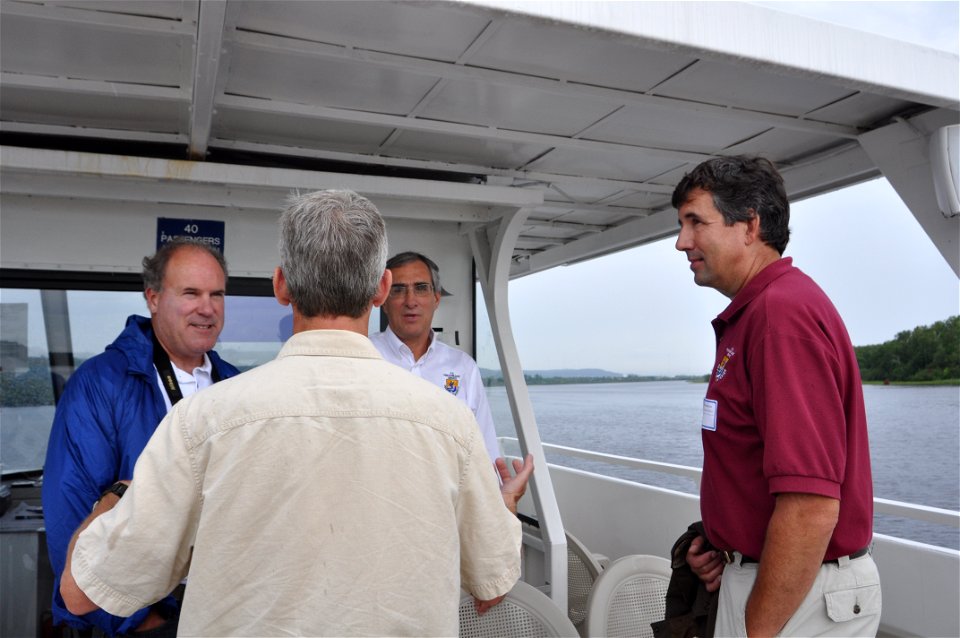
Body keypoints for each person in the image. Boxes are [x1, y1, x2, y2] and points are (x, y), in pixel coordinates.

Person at [59, 190, 532, 636]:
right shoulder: (450, 424)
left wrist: (122, 491)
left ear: (281, 285)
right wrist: (502, 504)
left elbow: (80, 594)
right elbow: (492, 587)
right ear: (382, 288)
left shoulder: (202, 420)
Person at [673, 156, 880, 637]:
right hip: (773, 582)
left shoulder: (780, 317)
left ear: (749, 225)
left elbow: (810, 505)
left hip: (794, 597)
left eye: (695, 222)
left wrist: (757, 629)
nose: (682, 242)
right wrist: (723, 545)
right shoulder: (759, 313)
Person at [42, 238, 240, 637]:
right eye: (191, 293)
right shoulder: (99, 384)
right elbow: (71, 520)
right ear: (153, 297)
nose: (207, 307)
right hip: (135, 617)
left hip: (222, 609)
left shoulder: (236, 385)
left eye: (216, 294)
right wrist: (143, 624)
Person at [370, 251, 500, 464]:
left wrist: (499, 494)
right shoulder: (365, 357)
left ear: (436, 298)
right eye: (398, 290)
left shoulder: (463, 367)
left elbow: (484, 446)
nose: (410, 301)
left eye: (421, 288)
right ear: (383, 300)